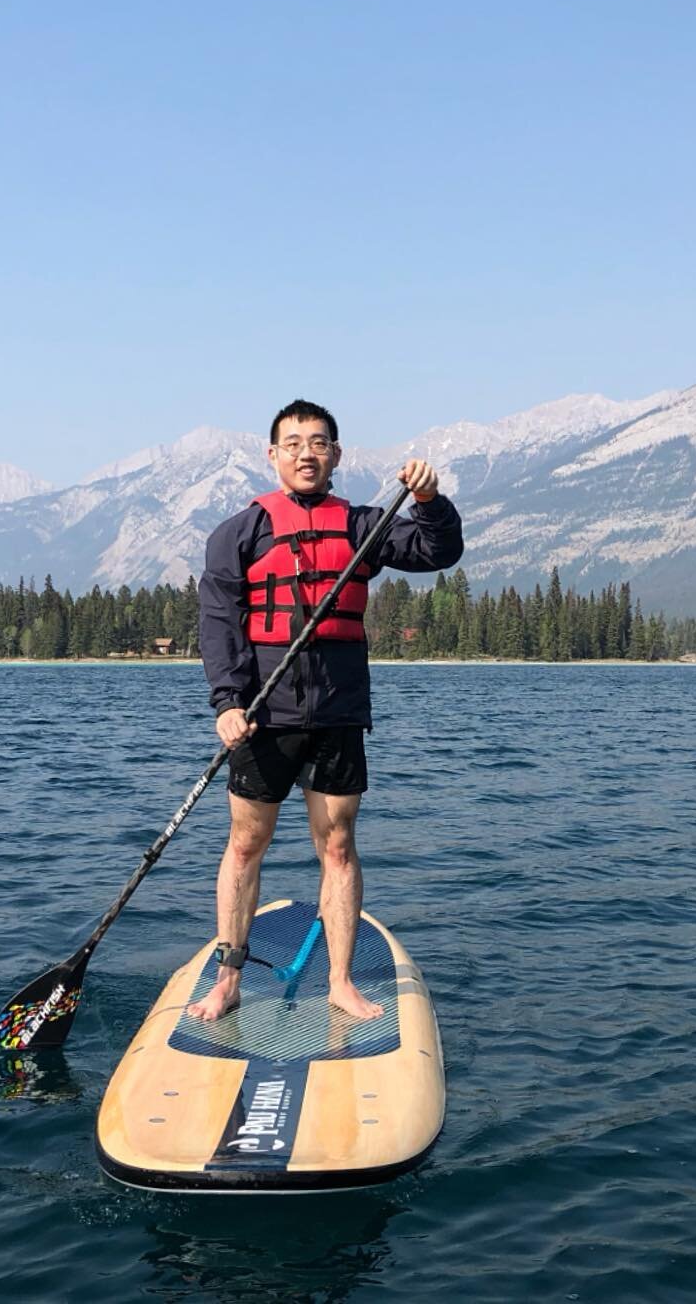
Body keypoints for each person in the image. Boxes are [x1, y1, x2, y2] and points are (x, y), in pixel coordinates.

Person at [190, 398, 462, 1023]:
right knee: (245, 842)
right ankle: (228, 981)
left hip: (339, 710)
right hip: (264, 712)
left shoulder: (365, 523)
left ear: (336, 455)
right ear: (272, 455)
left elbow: (436, 551)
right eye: (292, 443)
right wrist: (228, 702)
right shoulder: (239, 532)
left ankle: (340, 981)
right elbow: (218, 624)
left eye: (318, 443)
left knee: (338, 845)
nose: (305, 453)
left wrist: (429, 501)